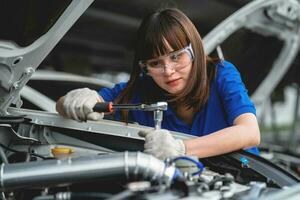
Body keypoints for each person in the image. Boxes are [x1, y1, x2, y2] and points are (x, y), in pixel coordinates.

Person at [56, 8, 260, 160]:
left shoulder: (220, 73)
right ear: (144, 66)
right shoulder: (141, 90)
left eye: (176, 57)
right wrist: (75, 99)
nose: (168, 71)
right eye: (155, 63)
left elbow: (249, 132)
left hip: (245, 179)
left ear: (194, 51)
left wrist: (181, 149)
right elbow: (69, 105)